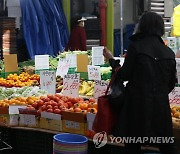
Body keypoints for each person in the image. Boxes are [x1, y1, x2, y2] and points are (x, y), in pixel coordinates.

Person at [103, 12, 179, 154]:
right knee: (166, 145)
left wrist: (112, 60)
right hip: (160, 109)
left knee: (133, 145)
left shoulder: (136, 47)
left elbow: (124, 75)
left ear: (142, 26)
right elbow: (171, 84)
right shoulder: (169, 53)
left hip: (136, 107)